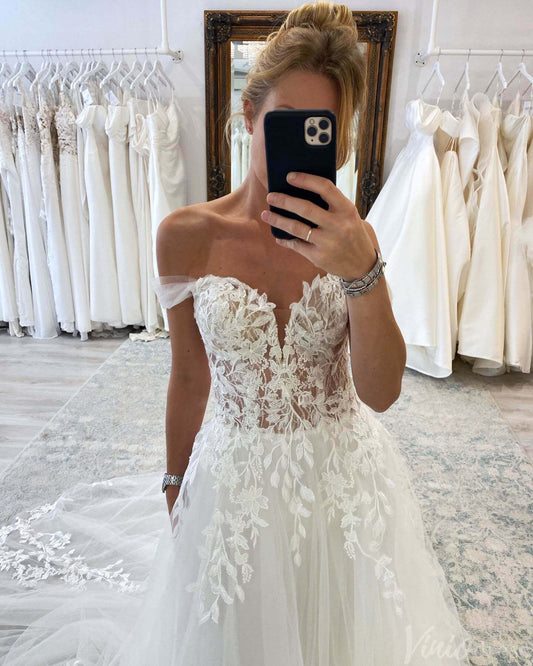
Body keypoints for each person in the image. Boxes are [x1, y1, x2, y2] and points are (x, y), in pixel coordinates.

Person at [0, 3, 472, 664]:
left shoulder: (353, 239)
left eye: (321, 128)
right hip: (233, 479)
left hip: (340, 479)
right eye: (284, 122)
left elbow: (382, 392)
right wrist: (174, 479)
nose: (302, 142)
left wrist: (362, 272)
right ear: (249, 115)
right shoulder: (186, 237)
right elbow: (190, 373)